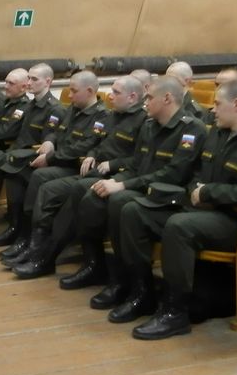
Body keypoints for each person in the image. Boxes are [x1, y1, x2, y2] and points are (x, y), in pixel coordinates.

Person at [115, 80, 237, 340]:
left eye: (218, 104)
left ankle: (175, 311)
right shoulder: (218, 133)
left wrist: (209, 193)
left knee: (179, 226)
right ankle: (142, 293)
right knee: (134, 212)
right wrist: (196, 191)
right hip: (201, 210)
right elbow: (196, 173)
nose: (212, 109)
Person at [63, 76, 208, 296]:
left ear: (167, 98)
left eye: (149, 97)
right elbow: (136, 165)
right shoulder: (150, 126)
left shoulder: (191, 129)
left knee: (120, 201)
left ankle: (136, 286)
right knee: (92, 191)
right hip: (143, 186)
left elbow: (172, 175)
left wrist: (123, 185)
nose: (145, 102)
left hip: (168, 195)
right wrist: (115, 181)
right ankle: (97, 265)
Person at [10, 75, 148, 279]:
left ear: (132, 97)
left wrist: (112, 164)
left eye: (116, 92)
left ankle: (48, 258)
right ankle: (36, 248)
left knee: (78, 193)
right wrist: (92, 155)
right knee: (49, 189)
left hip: (115, 176)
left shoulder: (143, 122)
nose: (110, 96)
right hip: (94, 171)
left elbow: (139, 160)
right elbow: (97, 142)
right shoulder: (113, 116)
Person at [0, 71, 106, 265]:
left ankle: (35, 242)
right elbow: (57, 131)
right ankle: (24, 234)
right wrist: (49, 141)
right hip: (59, 159)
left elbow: (83, 146)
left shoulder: (101, 116)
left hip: (73, 164)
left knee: (39, 176)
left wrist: (51, 157)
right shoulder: (73, 109)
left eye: (74, 91)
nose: (69, 95)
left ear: (89, 91)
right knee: (18, 168)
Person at [0, 64, 63, 237]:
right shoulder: (31, 105)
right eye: (29, 78)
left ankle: (14, 227)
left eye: (34, 79)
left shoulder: (54, 108)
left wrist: (47, 143)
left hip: (31, 156)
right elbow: (14, 132)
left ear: (48, 81)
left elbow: (49, 139)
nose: (29, 83)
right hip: (17, 151)